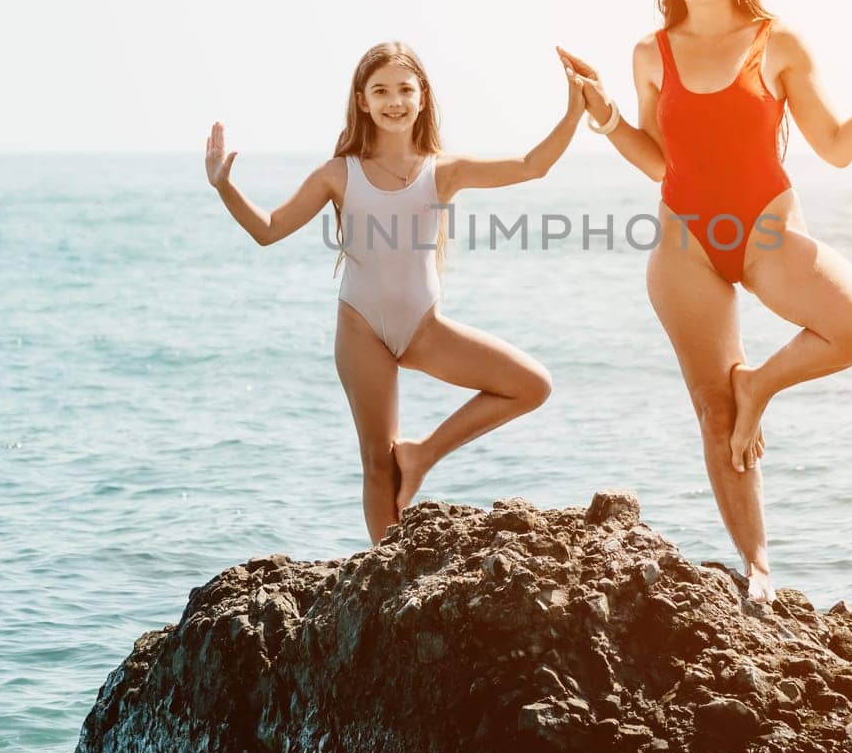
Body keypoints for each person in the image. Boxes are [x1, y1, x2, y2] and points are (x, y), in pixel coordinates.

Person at [559, 0, 852, 603]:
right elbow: (662, 162)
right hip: (685, 246)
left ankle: (762, 382)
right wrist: (602, 115)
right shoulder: (651, 52)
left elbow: (836, 147)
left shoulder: (775, 43)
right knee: (712, 409)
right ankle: (758, 567)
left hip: (768, 235)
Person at [205, 41, 584, 543]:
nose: (394, 101)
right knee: (377, 464)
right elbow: (269, 229)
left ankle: (423, 453)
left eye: (405, 90)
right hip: (361, 330)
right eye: (380, 91)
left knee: (532, 384)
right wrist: (224, 187)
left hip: (423, 328)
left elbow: (532, 164)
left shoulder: (443, 171)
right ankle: (383, 573)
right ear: (362, 100)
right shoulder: (338, 174)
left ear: (422, 97)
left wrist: (575, 109)